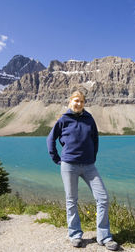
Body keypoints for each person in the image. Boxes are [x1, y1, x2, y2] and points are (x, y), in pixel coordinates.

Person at [46, 90, 119, 251]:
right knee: (71, 200)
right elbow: (50, 139)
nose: (79, 104)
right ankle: (75, 235)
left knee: (103, 198)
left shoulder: (89, 118)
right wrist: (56, 159)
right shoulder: (64, 119)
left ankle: (104, 236)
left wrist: (92, 156)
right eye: (76, 101)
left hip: (89, 166)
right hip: (69, 165)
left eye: (82, 101)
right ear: (70, 102)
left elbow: (95, 139)